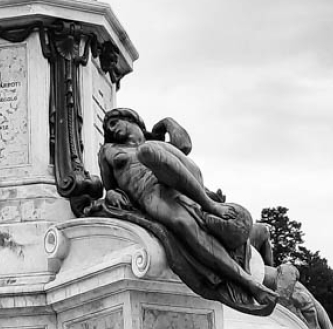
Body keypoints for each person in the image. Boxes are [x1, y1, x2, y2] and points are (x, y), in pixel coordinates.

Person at [98, 108, 277, 309]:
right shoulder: (108, 150)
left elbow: (184, 145)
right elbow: (109, 186)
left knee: (148, 150)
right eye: (107, 128)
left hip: (180, 186)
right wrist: (112, 193)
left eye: (113, 122)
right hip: (150, 194)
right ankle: (248, 282)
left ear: (132, 120)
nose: (110, 129)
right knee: (183, 223)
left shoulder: (155, 145)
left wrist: (167, 121)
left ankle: (209, 205)